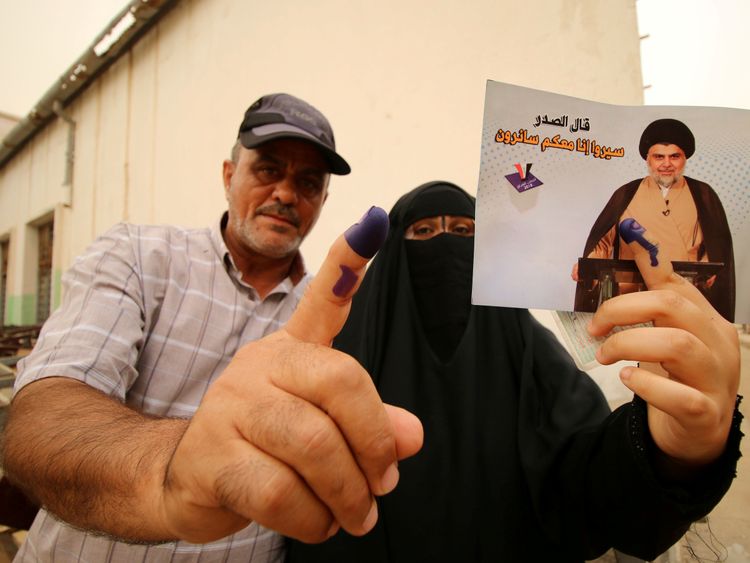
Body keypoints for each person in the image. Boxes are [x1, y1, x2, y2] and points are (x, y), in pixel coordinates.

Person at [1, 93, 423, 562]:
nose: (285, 194)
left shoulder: (339, 310)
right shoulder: (139, 258)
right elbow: (44, 417)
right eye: (268, 169)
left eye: (307, 182)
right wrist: (176, 470)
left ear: (323, 200)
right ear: (228, 175)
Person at [286, 181, 743, 562]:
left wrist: (670, 451)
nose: (444, 245)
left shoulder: (526, 352)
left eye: (464, 231)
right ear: (394, 256)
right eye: (423, 231)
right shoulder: (343, 356)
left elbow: (590, 481)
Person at [572, 118, 735, 321]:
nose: (666, 164)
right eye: (659, 157)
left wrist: (708, 273)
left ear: (685, 159)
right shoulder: (626, 193)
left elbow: (716, 248)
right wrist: (588, 266)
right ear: (648, 160)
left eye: (674, 156)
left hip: (685, 302)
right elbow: (602, 244)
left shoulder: (703, 194)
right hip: (631, 299)